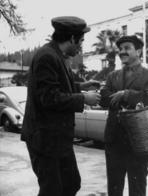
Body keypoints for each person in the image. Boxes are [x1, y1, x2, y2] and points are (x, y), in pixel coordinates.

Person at [21, 16, 101, 196]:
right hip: (44, 140)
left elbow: (58, 87)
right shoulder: (47, 57)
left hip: (56, 139)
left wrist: (83, 86)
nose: (81, 46)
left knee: (71, 183)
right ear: (72, 38)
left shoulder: (56, 55)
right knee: (52, 190)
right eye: (80, 41)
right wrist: (83, 99)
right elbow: (49, 98)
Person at [99, 35, 148, 196]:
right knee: (114, 187)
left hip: (138, 141)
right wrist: (132, 97)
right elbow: (104, 98)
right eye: (120, 49)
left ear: (139, 51)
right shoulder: (113, 76)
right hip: (114, 139)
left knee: (138, 187)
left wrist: (126, 95)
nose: (122, 52)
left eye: (127, 48)